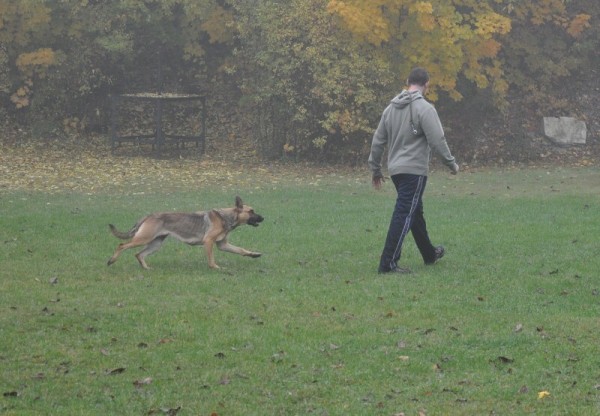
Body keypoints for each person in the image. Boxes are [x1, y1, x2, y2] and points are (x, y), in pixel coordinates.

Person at [368, 67, 459, 274]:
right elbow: (438, 140)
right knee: (404, 214)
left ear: (407, 81)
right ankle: (388, 263)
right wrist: (451, 164)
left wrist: (375, 169)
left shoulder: (390, 109)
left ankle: (429, 254)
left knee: (414, 212)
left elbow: (378, 141)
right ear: (426, 85)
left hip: (396, 171)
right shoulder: (425, 109)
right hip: (414, 171)